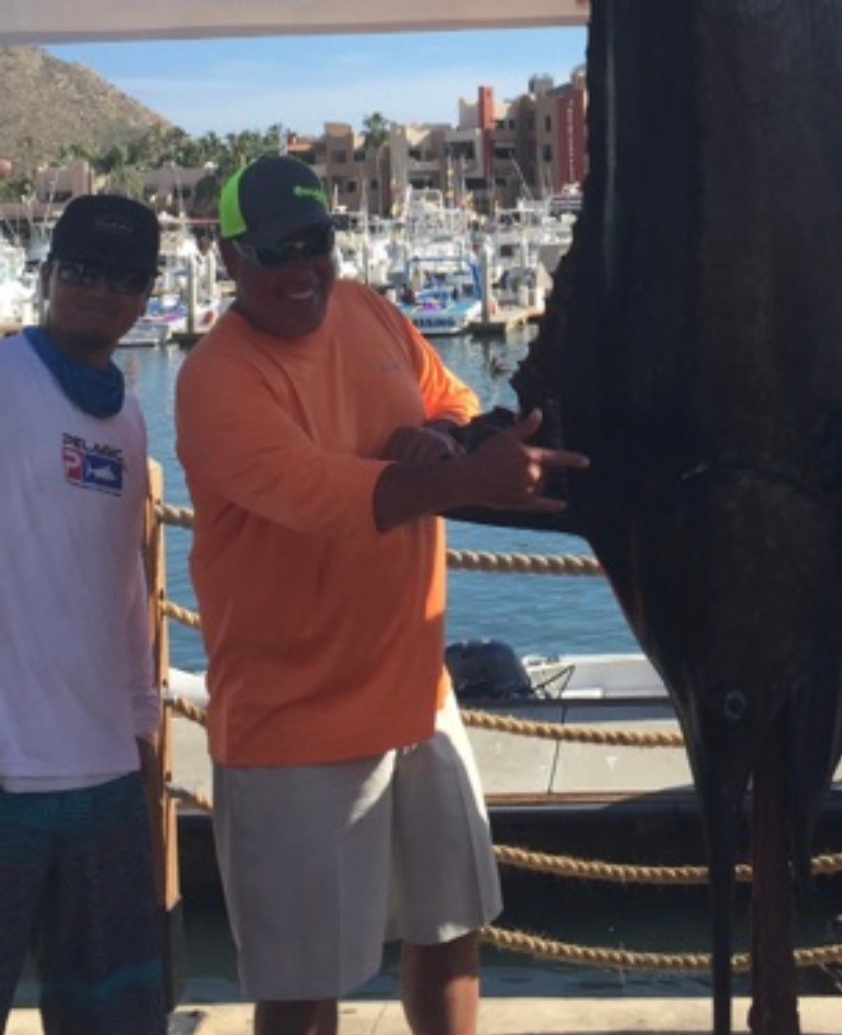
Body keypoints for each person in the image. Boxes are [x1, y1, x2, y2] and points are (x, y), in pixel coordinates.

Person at [174, 155, 588, 1035]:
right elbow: (325, 499)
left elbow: (452, 394)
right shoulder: (217, 379)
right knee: (301, 990)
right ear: (229, 260)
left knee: (450, 934)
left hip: (418, 699)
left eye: (317, 241)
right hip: (294, 730)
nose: (303, 268)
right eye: (275, 250)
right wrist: (472, 482)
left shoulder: (368, 311)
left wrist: (436, 436)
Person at [0, 193, 166, 1035]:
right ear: (48, 273)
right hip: (8, 778)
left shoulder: (129, 420)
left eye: (128, 277)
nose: (104, 291)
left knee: (118, 1019)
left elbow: (123, 583)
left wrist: (141, 731)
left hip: (104, 777)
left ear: (146, 294)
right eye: (85, 270)